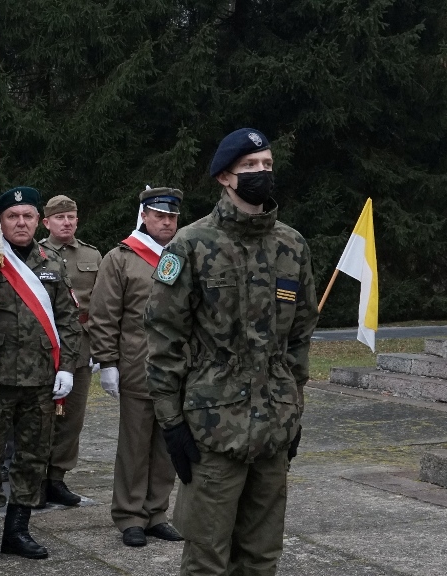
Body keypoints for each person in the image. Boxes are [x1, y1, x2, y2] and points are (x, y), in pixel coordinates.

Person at [145, 128, 318, 575]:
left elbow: (300, 333)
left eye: (267, 165)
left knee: (261, 557)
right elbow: (164, 337)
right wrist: (171, 423)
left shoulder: (292, 245)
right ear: (225, 176)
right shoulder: (190, 244)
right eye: (251, 167)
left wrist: (293, 407)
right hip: (212, 428)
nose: (262, 173)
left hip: (275, 425)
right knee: (206, 556)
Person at [0, 186, 81, 564]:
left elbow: (68, 320)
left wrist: (66, 368)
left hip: (40, 380)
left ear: (37, 221)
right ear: (1, 222)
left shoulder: (53, 261)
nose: (21, 222)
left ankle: (17, 531)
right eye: (13, 216)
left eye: (28, 216)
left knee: (32, 458)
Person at [89, 187, 185, 547]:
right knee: (135, 444)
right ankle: (130, 515)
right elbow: (104, 314)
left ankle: (157, 511)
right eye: (160, 216)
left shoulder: (184, 253)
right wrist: (107, 362)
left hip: (178, 367)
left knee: (168, 444)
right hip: (137, 365)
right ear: (144, 216)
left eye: (172, 217)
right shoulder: (121, 258)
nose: (167, 222)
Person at [36, 195, 101, 507]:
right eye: (60, 218)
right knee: (40, 415)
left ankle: (57, 477)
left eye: (71, 217)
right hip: (43, 346)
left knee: (72, 416)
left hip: (81, 346)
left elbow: (102, 305)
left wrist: (103, 350)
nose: (67, 223)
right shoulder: (33, 254)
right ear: (47, 222)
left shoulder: (92, 254)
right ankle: (33, 478)